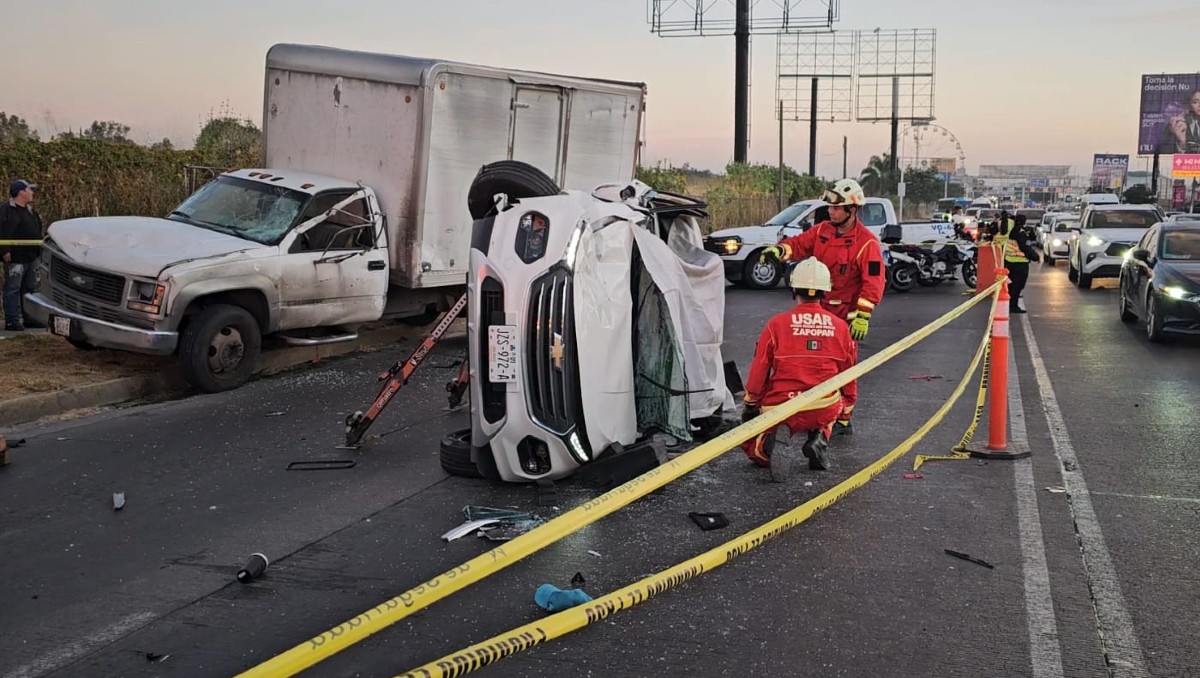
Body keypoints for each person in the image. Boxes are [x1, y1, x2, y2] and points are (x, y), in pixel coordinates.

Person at [759, 178, 883, 435]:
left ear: (852, 209)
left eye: (837, 208)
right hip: (817, 310)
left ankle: (843, 416)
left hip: (844, 318)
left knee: (845, 367)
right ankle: (813, 408)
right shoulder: (822, 231)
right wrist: (779, 251)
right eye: (830, 207)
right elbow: (798, 244)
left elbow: (874, 281)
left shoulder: (867, 244)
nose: (831, 211)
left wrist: (863, 314)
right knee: (809, 361)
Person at [740, 258, 857, 482]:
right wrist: (845, 411)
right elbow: (848, 374)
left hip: (782, 406)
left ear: (794, 288)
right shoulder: (841, 327)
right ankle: (820, 437)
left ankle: (766, 446)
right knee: (835, 403)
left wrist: (751, 404)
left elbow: (759, 371)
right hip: (823, 404)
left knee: (751, 446)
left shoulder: (776, 324)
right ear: (825, 291)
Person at [0, 179, 44, 331]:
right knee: (13, 287)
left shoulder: (30, 210)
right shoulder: (5, 209)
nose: (32, 193)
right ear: (21, 192)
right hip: (15, 257)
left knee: (29, 288)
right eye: (29, 190)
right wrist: (4, 250)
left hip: (31, 256)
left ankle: (30, 318)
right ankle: (12, 320)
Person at [994, 213, 1040, 314]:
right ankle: (1013, 306)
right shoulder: (1021, 233)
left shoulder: (1012, 232)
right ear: (1024, 222)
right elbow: (1025, 248)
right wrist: (1036, 257)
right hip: (1020, 263)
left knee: (1011, 286)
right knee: (1018, 286)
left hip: (1009, 262)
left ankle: (1009, 304)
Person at [1157, 89, 1200, 154]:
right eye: (1195, 102)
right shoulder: (1176, 124)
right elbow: (1162, 153)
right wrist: (1182, 144)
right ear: (1189, 105)